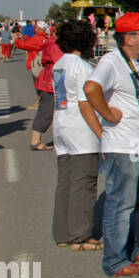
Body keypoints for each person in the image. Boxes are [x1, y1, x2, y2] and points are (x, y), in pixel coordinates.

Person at [83, 12, 139, 278]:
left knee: (132, 202)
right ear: (129, 38)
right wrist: (107, 115)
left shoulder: (135, 62)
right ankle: (115, 262)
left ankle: (129, 249)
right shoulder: (111, 61)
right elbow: (90, 89)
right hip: (124, 145)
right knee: (120, 204)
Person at [52, 20, 103, 250]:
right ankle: (81, 235)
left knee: (66, 182)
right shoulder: (83, 67)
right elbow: (85, 105)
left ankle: (62, 231)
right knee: (84, 183)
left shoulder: (59, 64)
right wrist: (102, 133)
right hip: (81, 130)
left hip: (62, 125)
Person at [15, 24, 63, 151]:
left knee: (47, 109)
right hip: (51, 81)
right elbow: (59, 61)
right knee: (47, 110)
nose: (34, 29)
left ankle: (41, 139)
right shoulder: (54, 44)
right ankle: (35, 141)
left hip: (46, 79)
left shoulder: (48, 41)